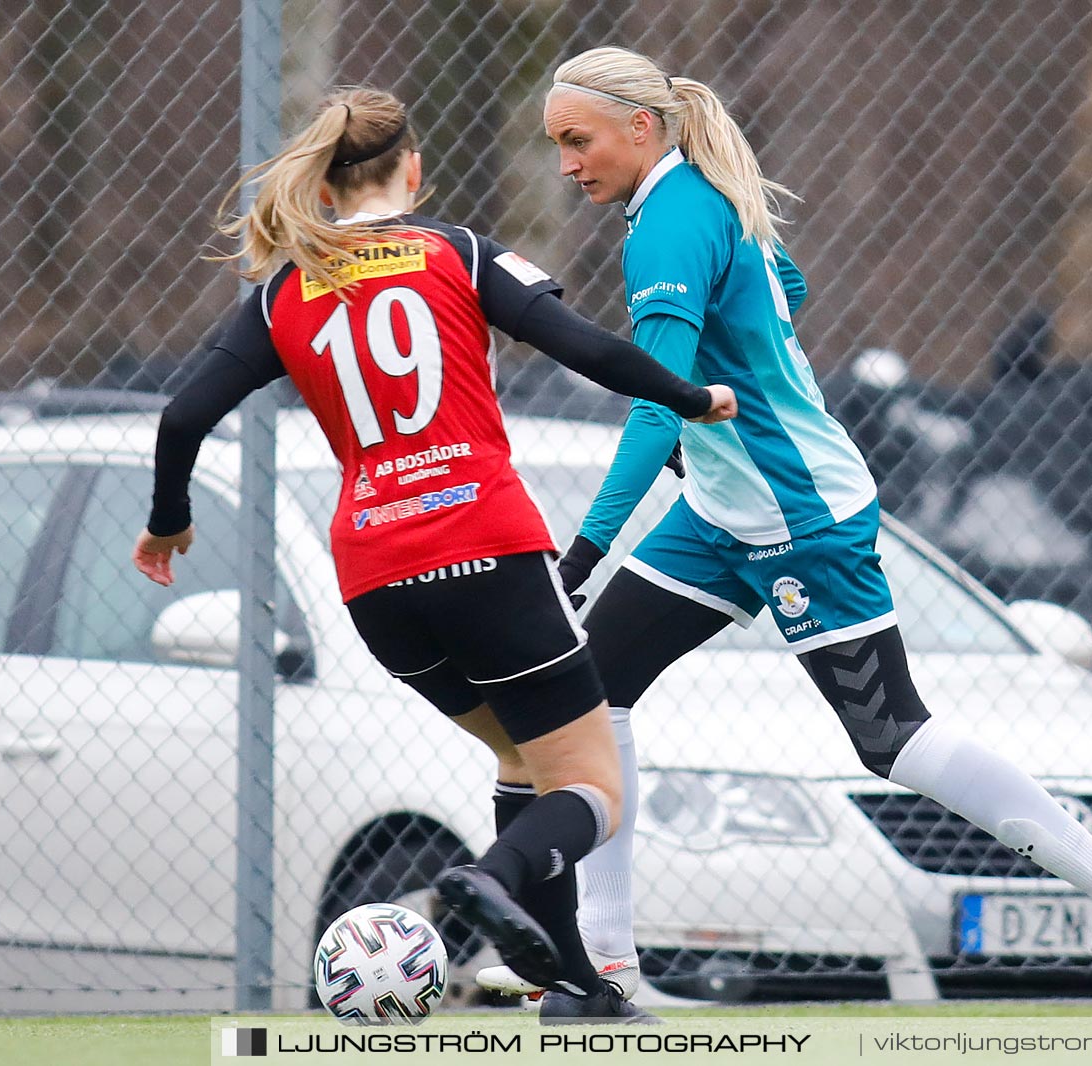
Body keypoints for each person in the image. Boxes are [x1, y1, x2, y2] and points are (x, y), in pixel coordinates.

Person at [473, 46, 1092, 1021]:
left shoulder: (673, 222)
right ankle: (606, 969)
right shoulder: (693, 200)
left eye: (576, 140)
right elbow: (785, 293)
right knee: (598, 694)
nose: (565, 163)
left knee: (890, 735)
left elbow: (651, 408)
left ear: (642, 128)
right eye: (555, 143)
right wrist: (734, 395)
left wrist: (583, 553)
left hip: (798, 514)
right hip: (726, 509)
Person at [129, 87, 737, 1024]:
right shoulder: (454, 250)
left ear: (323, 189)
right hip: (486, 548)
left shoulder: (284, 288)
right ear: (412, 170)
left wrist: (169, 520)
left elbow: (181, 416)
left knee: (523, 759)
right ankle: (487, 880)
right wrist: (692, 400)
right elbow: (585, 348)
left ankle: (578, 990)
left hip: (376, 580)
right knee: (592, 788)